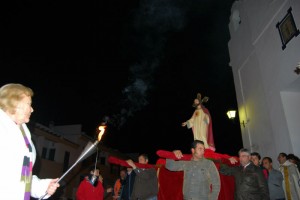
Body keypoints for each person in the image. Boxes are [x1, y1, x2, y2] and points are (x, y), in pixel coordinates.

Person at [0, 83, 60, 199]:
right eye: (29, 104)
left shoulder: (24, 134)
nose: (32, 109)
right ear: (15, 104)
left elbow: (23, 177)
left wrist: (43, 187)